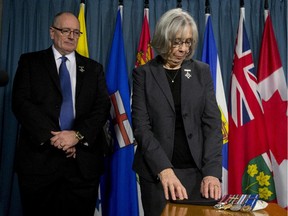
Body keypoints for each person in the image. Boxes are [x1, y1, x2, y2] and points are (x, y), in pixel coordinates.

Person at [12, 12, 110, 216]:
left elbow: (101, 108)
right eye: (65, 31)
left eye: (76, 32)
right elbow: (21, 104)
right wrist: (56, 139)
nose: (71, 36)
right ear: (52, 32)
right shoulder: (30, 62)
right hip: (40, 165)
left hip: (82, 166)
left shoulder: (94, 69)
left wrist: (77, 136)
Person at [132, 8, 223, 216]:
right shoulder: (143, 75)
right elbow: (141, 128)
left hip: (199, 175)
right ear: (164, 39)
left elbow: (212, 126)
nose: (184, 49)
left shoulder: (201, 71)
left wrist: (211, 172)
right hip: (158, 175)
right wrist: (163, 170)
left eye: (188, 42)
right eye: (177, 42)